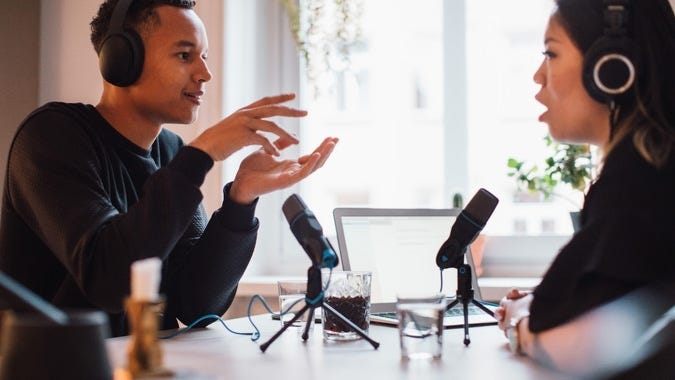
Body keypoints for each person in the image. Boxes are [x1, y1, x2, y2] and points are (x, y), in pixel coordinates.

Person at [0, 0, 338, 337]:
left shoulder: (171, 152)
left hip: (142, 364)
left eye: (204, 56)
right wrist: (201, 154)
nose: (204, 74)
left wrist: (240, 199)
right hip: (56, 366)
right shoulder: (52, 136)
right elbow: (109, 279)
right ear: (122, 59)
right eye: (184, 55)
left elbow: (197, 306)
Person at [494, 0, 675, 378]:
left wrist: (519, 326)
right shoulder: (653, 162)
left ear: (612, 66)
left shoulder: (639, 180)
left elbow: (578, 349)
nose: (537, 77)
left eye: (551, 53)